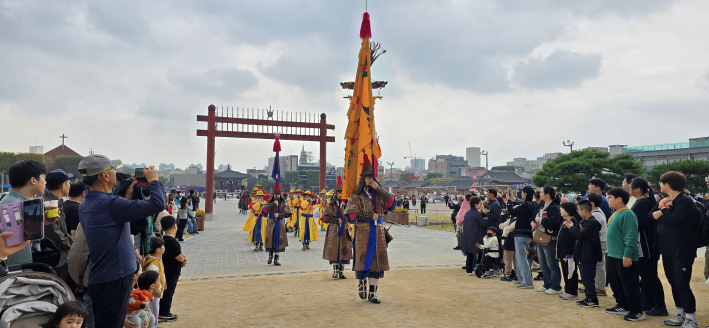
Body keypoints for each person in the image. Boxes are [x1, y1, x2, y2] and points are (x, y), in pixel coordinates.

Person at [77, 155, 165, 328]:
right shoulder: (111, 205)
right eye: (113, 169)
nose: (116, 172)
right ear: (105, 176)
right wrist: (154, 181)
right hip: (114, 279)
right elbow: (157, 204)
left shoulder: (87, 202)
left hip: (102, 276)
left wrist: (125, 195)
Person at [344, 158, 395, 304]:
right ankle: (362, 283)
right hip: (363, 231)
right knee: (363, 259)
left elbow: (391, 203)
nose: (369, 180)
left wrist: (378, 188)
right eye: (367, 178)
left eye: (372, 178)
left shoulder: (378, 194)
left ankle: (373, 293)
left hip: (378, 232)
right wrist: (368, 215)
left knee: (377, 263)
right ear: (362, 179)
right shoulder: (356, 195)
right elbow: (351, 214)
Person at [653, 171, 698, 327]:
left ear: (668, 184)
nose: (660, 185)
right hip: (669, 251)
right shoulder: (673, 200)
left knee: (681, 285)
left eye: (661, 182)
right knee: (673, 283)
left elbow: (674, 221)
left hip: (681, 250)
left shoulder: (685, 201)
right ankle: (680, 314)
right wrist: (664, 205)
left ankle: (691, 319)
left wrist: (662, 207)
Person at [0, 160, 51, 266]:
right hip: (16, 273)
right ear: (33, 180)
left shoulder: (20, 202)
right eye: (44, 178)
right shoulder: (12, 205)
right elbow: (13, 247)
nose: (46, 182)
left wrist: (40, 223)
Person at [629, 177, 667, 317]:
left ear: (638, 189)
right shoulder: (641, 202)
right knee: (644, 275)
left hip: (647, 245)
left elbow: (642, 222)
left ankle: (660, 305)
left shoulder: (643, 203)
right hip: (642, 245)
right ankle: (648, 301)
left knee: (650, 275)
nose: (629, 189)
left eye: (631, 186)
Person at [604, 187, 644, 322]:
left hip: (624, 256)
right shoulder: (617, 213)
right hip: (613, 254)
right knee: (616, 283)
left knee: (630, 284)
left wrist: (627, 254)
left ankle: (637, 311)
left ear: (619, 199)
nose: (607, 200)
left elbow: (631, 237)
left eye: (609, 197)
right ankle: (622, 305)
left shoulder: (628, 214)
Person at [43, 169, 76, 287]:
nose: (70, 185)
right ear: (63, 185)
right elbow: (56, 235)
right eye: (68, 182)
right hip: (56, 260)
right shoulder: (49, 205)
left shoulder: (54, 202)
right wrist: (76, 243)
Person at [567, 199, 602, 308]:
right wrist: (573, 226)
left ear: (584, 210)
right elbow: (579, 231)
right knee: (586, 277)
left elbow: (580, 235)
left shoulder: (592, 222)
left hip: (589, 254)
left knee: (587, 278)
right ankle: (589, 297)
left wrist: (571, 228)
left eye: (579, 210)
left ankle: (592, 299)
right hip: (584, 253)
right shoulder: (586, 221)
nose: (578, 212)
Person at [531, 186, 562, 295]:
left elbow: (553, 223)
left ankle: (556, 286)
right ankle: (547, 284)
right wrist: (533, 223)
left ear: (548, 195)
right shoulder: (541, 205)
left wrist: (538, 220)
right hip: (540, 236)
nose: (540, 194)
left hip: (550, 239)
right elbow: (534, 218)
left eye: (542, 192)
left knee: (552, 264)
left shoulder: (554, 208)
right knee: (543, 264)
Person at [321, 178, 352, 279]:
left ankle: (342, 271)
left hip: (344, 230)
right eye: (339, 193)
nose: (340, 195)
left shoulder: (348, 204)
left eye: (342, 193)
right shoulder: (330, 205)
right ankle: (335, 270)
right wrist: (335, 220)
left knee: (344, 249)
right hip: (333, 230)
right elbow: (324, 218)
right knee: (334, 249)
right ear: (335, 194)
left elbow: (351, 216)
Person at [159, 215, 186, 322]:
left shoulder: (165, 239)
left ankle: (164, 311)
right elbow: (178, 255)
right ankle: (164, 312)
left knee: (168, 291)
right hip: (171, 271)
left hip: (168, 270)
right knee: (168, 291)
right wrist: (183, 259)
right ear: (175, 226)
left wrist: (183, 257)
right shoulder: (171, 241)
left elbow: (178, 253)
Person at [67, 222, 94, 328]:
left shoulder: (91, 216)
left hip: (94, 282)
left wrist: (79, 280)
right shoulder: (124, 213)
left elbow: (77, 256)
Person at [510, 186, 536, 289]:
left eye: (522, 193)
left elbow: (512, 212)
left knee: (521, 258)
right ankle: (522, 280)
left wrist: (509, 202)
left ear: (525, 194)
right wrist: (515, 201)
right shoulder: (532, 204)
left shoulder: (526, 205)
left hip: (521, 234)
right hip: (528, 233)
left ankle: (527, 282)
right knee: (519, 258)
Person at [584, 193, 608, 297]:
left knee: (599, 267)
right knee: (597, 267)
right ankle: (595, 286)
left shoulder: (596, 214)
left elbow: (592, 231)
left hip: (599, 244)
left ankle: (600, 288)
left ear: (592, 203)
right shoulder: (595, 212)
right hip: (597, 244)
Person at [262, 185, 291, 266]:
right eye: (275, 194)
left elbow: (288, 213)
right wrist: (273, 204)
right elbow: (264, 210)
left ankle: (276, 258)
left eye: (278, 194)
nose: (277, 196)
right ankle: (270, 255)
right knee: (271, 239)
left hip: (280, 223)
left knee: (279, 240)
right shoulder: (269, 202)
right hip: (271, 223)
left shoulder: (283, 202)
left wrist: (280, 214)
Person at [556, 202, 580, 300]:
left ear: (569, 211)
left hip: (569, 252)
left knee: (571, 271)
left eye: (563, 209)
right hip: (563, 251)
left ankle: (573, 291)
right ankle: (567, 290)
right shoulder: (564, 221)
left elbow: (575, 237)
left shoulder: (573, 222)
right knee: (565, 271)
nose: (561, 211)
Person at [462, 196, 487, 276]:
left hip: (467, 235)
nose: (480, 205)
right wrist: (486, 219)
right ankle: (478, 267)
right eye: (479, 203)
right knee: (479, 251)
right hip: (476, 235)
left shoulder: (467, 213)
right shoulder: (478, 214)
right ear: (475, 204)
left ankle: (468, 270)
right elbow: (482, 223)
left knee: (469, 254)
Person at [144, 237, 166, 327]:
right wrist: (157, 290)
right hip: (153, 293)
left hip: (155, 291)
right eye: (163, 246)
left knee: (155, 309)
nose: (164, 247)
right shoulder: (153, 263)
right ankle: (154, 325)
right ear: (158, 249)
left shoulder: (155, 259)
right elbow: (154, 279)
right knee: (154, 310)